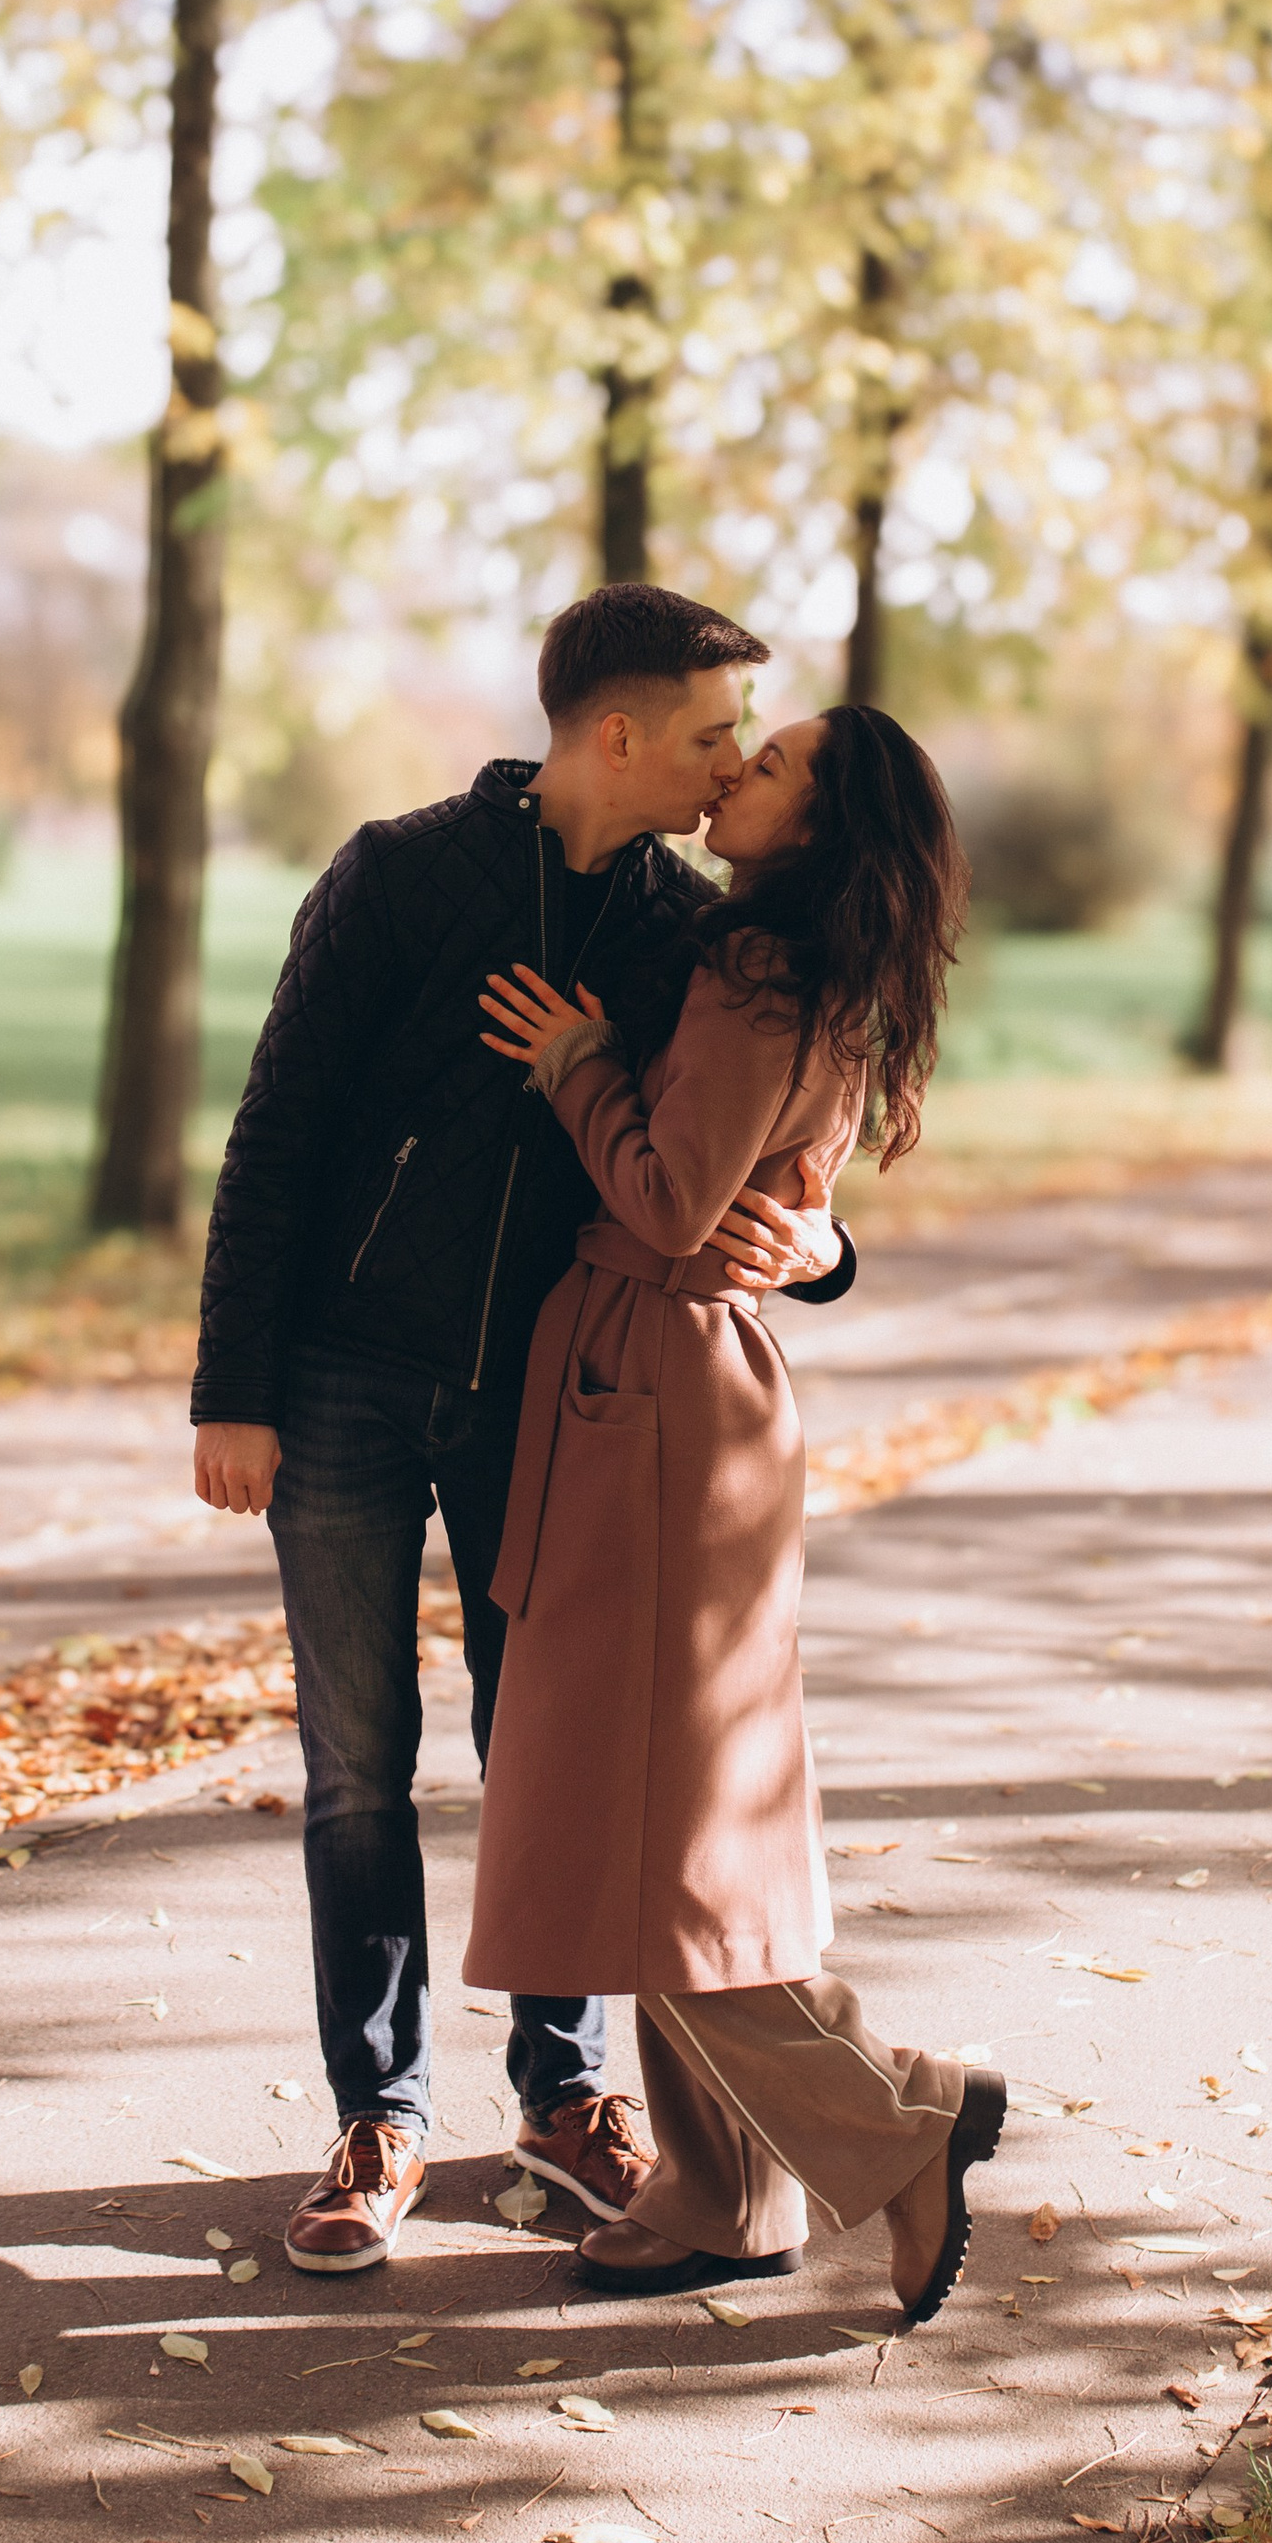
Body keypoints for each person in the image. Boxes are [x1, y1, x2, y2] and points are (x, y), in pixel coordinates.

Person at [190, 585, 857, 2273]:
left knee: (545, 1756)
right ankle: (382, 2113)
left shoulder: (689, 933)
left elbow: (775, 1131)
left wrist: (832, 1249)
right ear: (616, 733)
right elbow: (273, 1138)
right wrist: (236, 1388)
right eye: (713, 733)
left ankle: (565, 2096)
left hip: (545, 1398)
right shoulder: (398, 877)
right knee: (356, 1767)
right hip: (339, 1381)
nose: (729, 767)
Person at [465, 703, 1006, 2319]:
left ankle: (903, 2121)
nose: (734, 774)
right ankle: (723, 2198)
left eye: (767, 763)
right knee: (669, 1824)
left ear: (821, 825)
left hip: (658, 1407)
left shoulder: (753, 966)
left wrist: (574, 1065)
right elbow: (770, 1200)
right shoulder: (801, 963)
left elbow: (668, 1195)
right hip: (688, 1392)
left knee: (654, 1844)